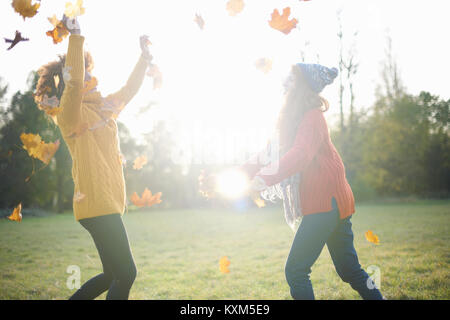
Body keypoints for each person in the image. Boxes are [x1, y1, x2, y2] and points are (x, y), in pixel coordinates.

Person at [241, 63, 384, 300]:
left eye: (291, 83)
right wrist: (228, 177)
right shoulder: (290, 123)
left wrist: (261, 180)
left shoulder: (312, 118)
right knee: (349, 269)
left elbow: (300, 154)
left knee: (296, 270)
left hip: (327, 203)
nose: (285, 88)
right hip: (332, 202)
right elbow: (265, 155)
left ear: (302, 89)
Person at [34, 16, 153, 300]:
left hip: (106, 202)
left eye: (87, 69)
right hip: (96, 203)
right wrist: (75, 39)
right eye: (81, 70)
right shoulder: (69, 114)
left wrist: (144, 58)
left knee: (112, 275)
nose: (87, 74)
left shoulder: (104, 108)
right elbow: (73, 87)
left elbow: (129, 90)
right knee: (127, 274)